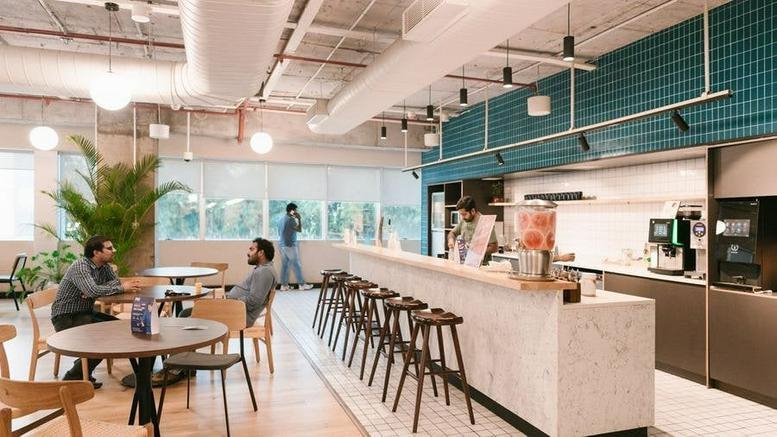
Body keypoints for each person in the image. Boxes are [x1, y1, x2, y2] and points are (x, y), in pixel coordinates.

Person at [51, 235, 140, 388]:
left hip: (84, 312)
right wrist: (96, 290)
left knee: (118, 328)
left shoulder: (103, 266)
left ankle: (81, 365)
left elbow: (113, 283)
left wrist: (96, 290)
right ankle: (74, 376)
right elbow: (96, 289)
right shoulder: (81, 266)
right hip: (65, 317)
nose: (114, 251)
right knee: (102, 338)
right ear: (96, 252)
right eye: (110, 248)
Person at [179, 237, 277, 327]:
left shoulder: (264, 272)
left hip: (237, 315)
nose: (248, 253)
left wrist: (231, 301)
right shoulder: (263, 269)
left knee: (186, 314)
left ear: (261, 253)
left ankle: (185, 344)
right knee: (188, 312)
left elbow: (254, 302)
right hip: (233, 310)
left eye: (252, 249)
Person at [447, 196, 499, 264]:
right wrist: (451, 240)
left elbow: (494, 247)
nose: (462, 217)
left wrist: (475, 251)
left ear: (473, 211)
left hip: (481, 265)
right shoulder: (464, 221)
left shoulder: (485, 223)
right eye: (461, 214)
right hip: (465, 263)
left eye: (464, 214)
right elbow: (452, 233)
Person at [277, 202, 313, 291]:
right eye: (296, 210)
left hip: (282, 244)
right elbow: (299, 229)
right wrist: (299, 219)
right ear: (292, 210)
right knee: (296, 265)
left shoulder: (281, 219)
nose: (297, 212)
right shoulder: (291, 219)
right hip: (290, 245)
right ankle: (302, 284)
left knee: (285, 266)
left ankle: (284, 285)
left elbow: (281, 232)